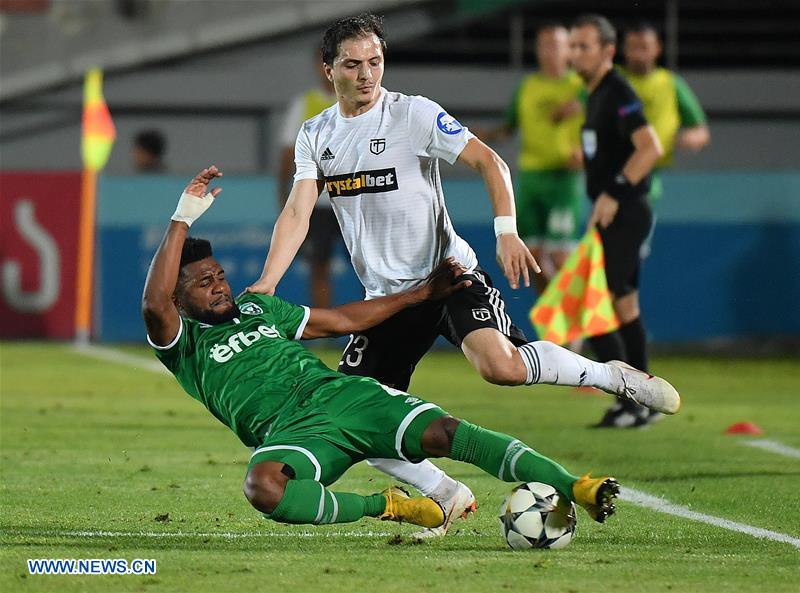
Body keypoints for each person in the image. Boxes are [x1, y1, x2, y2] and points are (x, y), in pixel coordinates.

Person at [246, 13, 679, 535]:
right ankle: (447, 494)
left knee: (500, 367)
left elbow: (491, 162)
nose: (367, 75)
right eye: (354, 65)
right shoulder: (317, 134)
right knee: (356, 419)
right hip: (387, 300)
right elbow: (297, 210)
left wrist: (505, 230)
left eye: (376, 62)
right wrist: (268, 284)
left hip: (448, 275)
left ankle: (615, 376)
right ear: (328, 69)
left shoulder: (414, 115)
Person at [141, 165, 621, 532]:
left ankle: (575, 485)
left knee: (449, 434)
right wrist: (183, 215)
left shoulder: (258, 308)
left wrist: (419, 295)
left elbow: (344, 320)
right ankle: (389, 504)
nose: (220, 287)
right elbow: (153, 302)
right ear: (179, 300)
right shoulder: (181, 343)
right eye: (204, 284)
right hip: (291, 431)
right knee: (264, 488)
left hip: (344, 396)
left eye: (219, 275)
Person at [569, 15, 665, 428]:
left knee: (593, 307)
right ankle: (641, 401)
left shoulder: (618, 91)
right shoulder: (594, 94)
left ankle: (634, 398)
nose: (575, 54)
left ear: (608, 51)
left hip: (626, 210)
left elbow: (650, 148)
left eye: (584, 46)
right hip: (612, 211)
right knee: (623, 305)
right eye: (573, 46)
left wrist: (612, 193)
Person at [480, 22, 586, 294]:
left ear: (569, 50)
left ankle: (573, 328)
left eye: (556, 45)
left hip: (564, 181)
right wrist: (474, 136)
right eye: (544, 45)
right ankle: (558, 321)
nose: (549, 51)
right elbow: (507, 129)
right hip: (531, 180)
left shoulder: (583, 87)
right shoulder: (527, 88)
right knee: (534, 260)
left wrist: (589, 154)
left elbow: (609, 127)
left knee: (562, 259)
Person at [621, 22, 710, 257]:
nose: (638, 53)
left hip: (647, 178)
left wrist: (693, 138)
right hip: (611, 171)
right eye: (633, 47)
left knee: (629, 252)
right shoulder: (613, 81)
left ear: (657, 48)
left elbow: (701, 130)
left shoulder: (670, 84)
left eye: (644, 47)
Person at [279, 49, 340, 309]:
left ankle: (373, 331)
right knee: (319, 267)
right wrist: (286, 202)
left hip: (357, 197)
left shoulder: (361, 101)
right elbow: (286, 155)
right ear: (318, 65)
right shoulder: (303, 104)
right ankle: (325, 331)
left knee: (370, 269)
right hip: (316, 203)